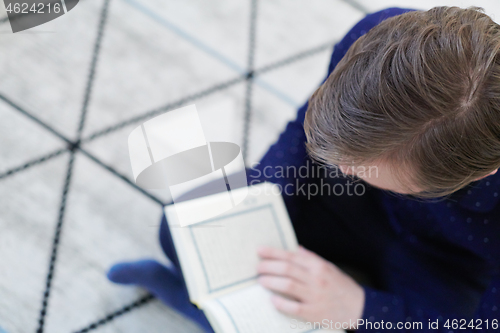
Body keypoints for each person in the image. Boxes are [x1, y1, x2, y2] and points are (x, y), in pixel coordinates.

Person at [108, 6, 500, 332]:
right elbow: (303, 136)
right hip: (337, 204)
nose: (344, 169)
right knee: (189, 224)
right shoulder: (376, 43)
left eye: (363, 167)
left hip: (441, 264)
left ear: (481, 173)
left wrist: (361, 307)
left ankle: (205, 314)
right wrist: (266, 201)